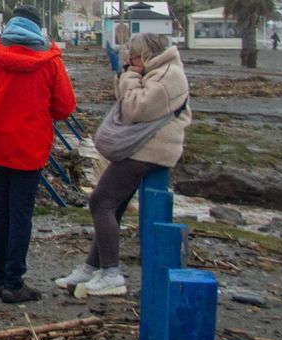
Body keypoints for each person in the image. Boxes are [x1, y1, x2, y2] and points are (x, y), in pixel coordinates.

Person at [0, 3, 77, 304]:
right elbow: (64, 107)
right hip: (29, 146)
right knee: (21, 212)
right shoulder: (50, 60)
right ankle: (13, 281)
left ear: (10, 26)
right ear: (38, 28)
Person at [56, 32, 190, 297]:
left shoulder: (166, 77)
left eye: (134, 57)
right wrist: (132, 75)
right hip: (146, 148)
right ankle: (93, 267)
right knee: (110, 206)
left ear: (148, 55)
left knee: (101, 201)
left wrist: (128, 76)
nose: (131, 62)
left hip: (148, 151)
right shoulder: (161, 71)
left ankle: (110, 273)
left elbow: (132, 108)